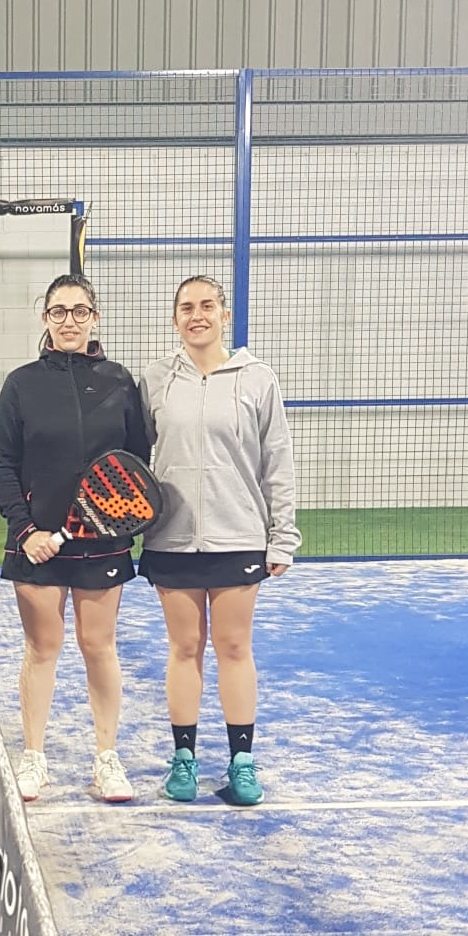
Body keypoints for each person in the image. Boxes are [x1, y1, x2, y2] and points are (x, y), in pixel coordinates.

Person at [0, 272, 149, 804]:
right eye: (59, 311)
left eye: (80, 311)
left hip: (103, 542)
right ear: (46, 319)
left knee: (98, 646)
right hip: (36, 545)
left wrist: (113, 518)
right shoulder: (21, 384)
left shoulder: (120, 382)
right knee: (42, 648)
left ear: (94, 318)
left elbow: (137, 464)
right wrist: (26, 530)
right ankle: (34, 757)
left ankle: (106, 759)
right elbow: (1, 466)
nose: (70, 321)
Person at [138, 275, 299, 807]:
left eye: (207, 305)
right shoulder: (156, 380)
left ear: (225, 315)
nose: (197, 315)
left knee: (233, 648)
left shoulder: (257, 379)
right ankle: (183, 760)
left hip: (239, 538)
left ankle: (242, 762)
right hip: (171, 540)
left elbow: (277, 462)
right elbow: (135, 459)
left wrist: (282, 536)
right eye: (187, 307)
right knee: (184, 648)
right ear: (175, 319)